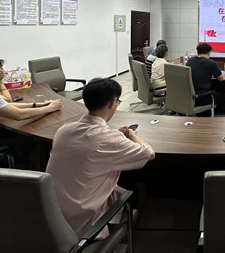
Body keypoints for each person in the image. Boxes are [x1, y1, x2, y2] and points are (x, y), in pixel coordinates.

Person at [46, 77, 155, 238]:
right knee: (136, 187)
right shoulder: (108, 139)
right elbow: (149, 154)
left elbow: (90, 145)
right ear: (112, 103)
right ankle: (125, 236)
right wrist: (132, 136)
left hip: (50, 213)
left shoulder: (64, 130)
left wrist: (115, 136)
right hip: (82, 225)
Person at [186, 43, 225, 111]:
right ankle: (207, 112)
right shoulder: (211, 63)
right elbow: (221, 79)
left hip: (189, 97)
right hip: (202, 97)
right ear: (208, 52)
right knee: (223, 98)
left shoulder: (190, 61)